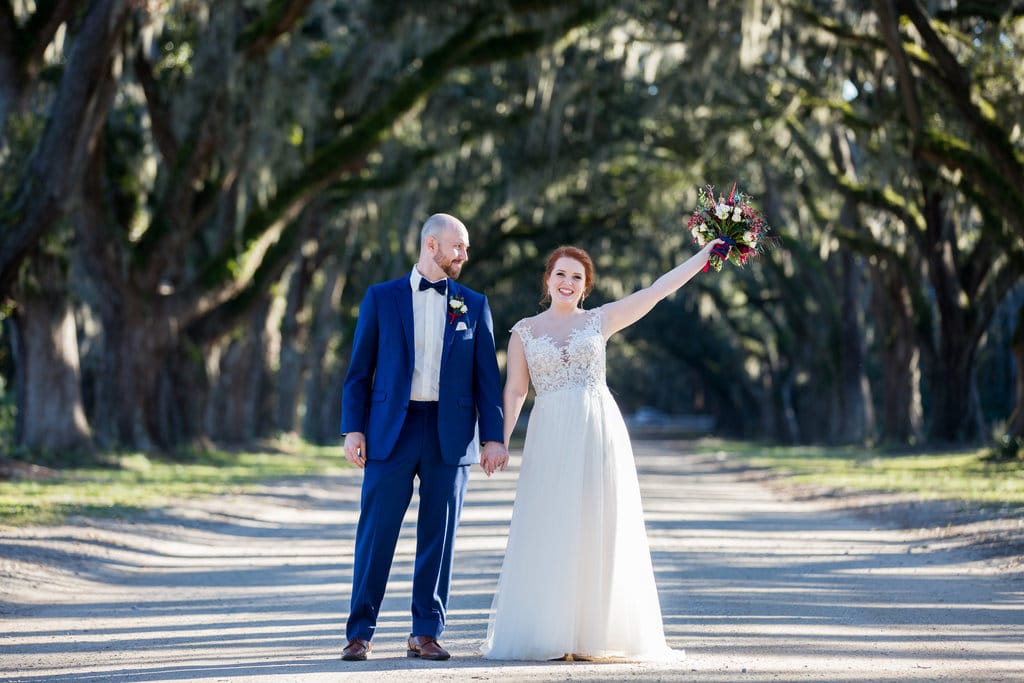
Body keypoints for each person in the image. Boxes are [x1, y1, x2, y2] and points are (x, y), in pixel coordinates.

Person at [482, 238, 725, 662]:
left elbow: (655, 290)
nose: (567, 282)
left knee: (597, 523)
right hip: (549, 432)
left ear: (586, 287)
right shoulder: (523, 331)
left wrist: (704, 256)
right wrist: (499, 441)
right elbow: (517, 390)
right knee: (550, 523)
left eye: (577, 277)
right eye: (560, 273)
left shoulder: (599, 321)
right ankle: (550, 632)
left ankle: (595, 631)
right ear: (548, 279)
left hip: (597, 429)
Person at [339, 213, 508, 662]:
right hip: (389, 430)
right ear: (432, 245)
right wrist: (353, 427)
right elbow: (359, 371)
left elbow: (487, 379)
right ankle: (359, 633)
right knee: (376, 533)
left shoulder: (474, 303)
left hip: (449, 433)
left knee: (440, 533)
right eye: (459, 246)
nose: (465, 255)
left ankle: (425, 632)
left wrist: (493, 438)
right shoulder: (380, 298)